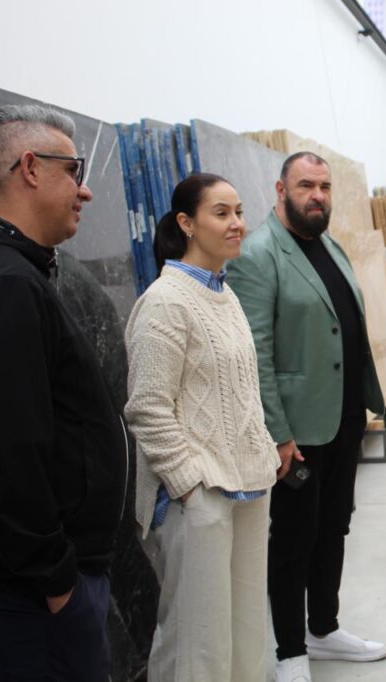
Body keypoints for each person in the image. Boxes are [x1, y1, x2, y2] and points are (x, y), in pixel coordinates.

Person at [0, 105, 127, 681]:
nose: (85, 190)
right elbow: (6, 449)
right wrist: (57, 581)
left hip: (29, 578)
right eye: (73, 171)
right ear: (29, 168)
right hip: (33, 589)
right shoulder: (4, 284)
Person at [227, 152, 386, 682]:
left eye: (324, 186)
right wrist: (278, 434)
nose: (317, 195)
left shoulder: (329, 245)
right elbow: (256, 355)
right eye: (305, 185)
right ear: (280, 190)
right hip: (297, 430)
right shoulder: (258, 255)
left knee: (334, 525)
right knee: (294, 538)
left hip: (342, 418)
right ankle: (290, 651)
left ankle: (324, 627)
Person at [123, 173, 283, 682]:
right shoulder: (165, 301)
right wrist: (191, 487)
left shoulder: (224, 294)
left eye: (239, 212)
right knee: (197, 644)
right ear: (187, 223)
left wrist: (260, 454)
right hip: (200, 497)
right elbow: (147, 408)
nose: (237, 224)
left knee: (246, 635)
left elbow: (241, 391)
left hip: (248, 486)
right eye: (221, 213)